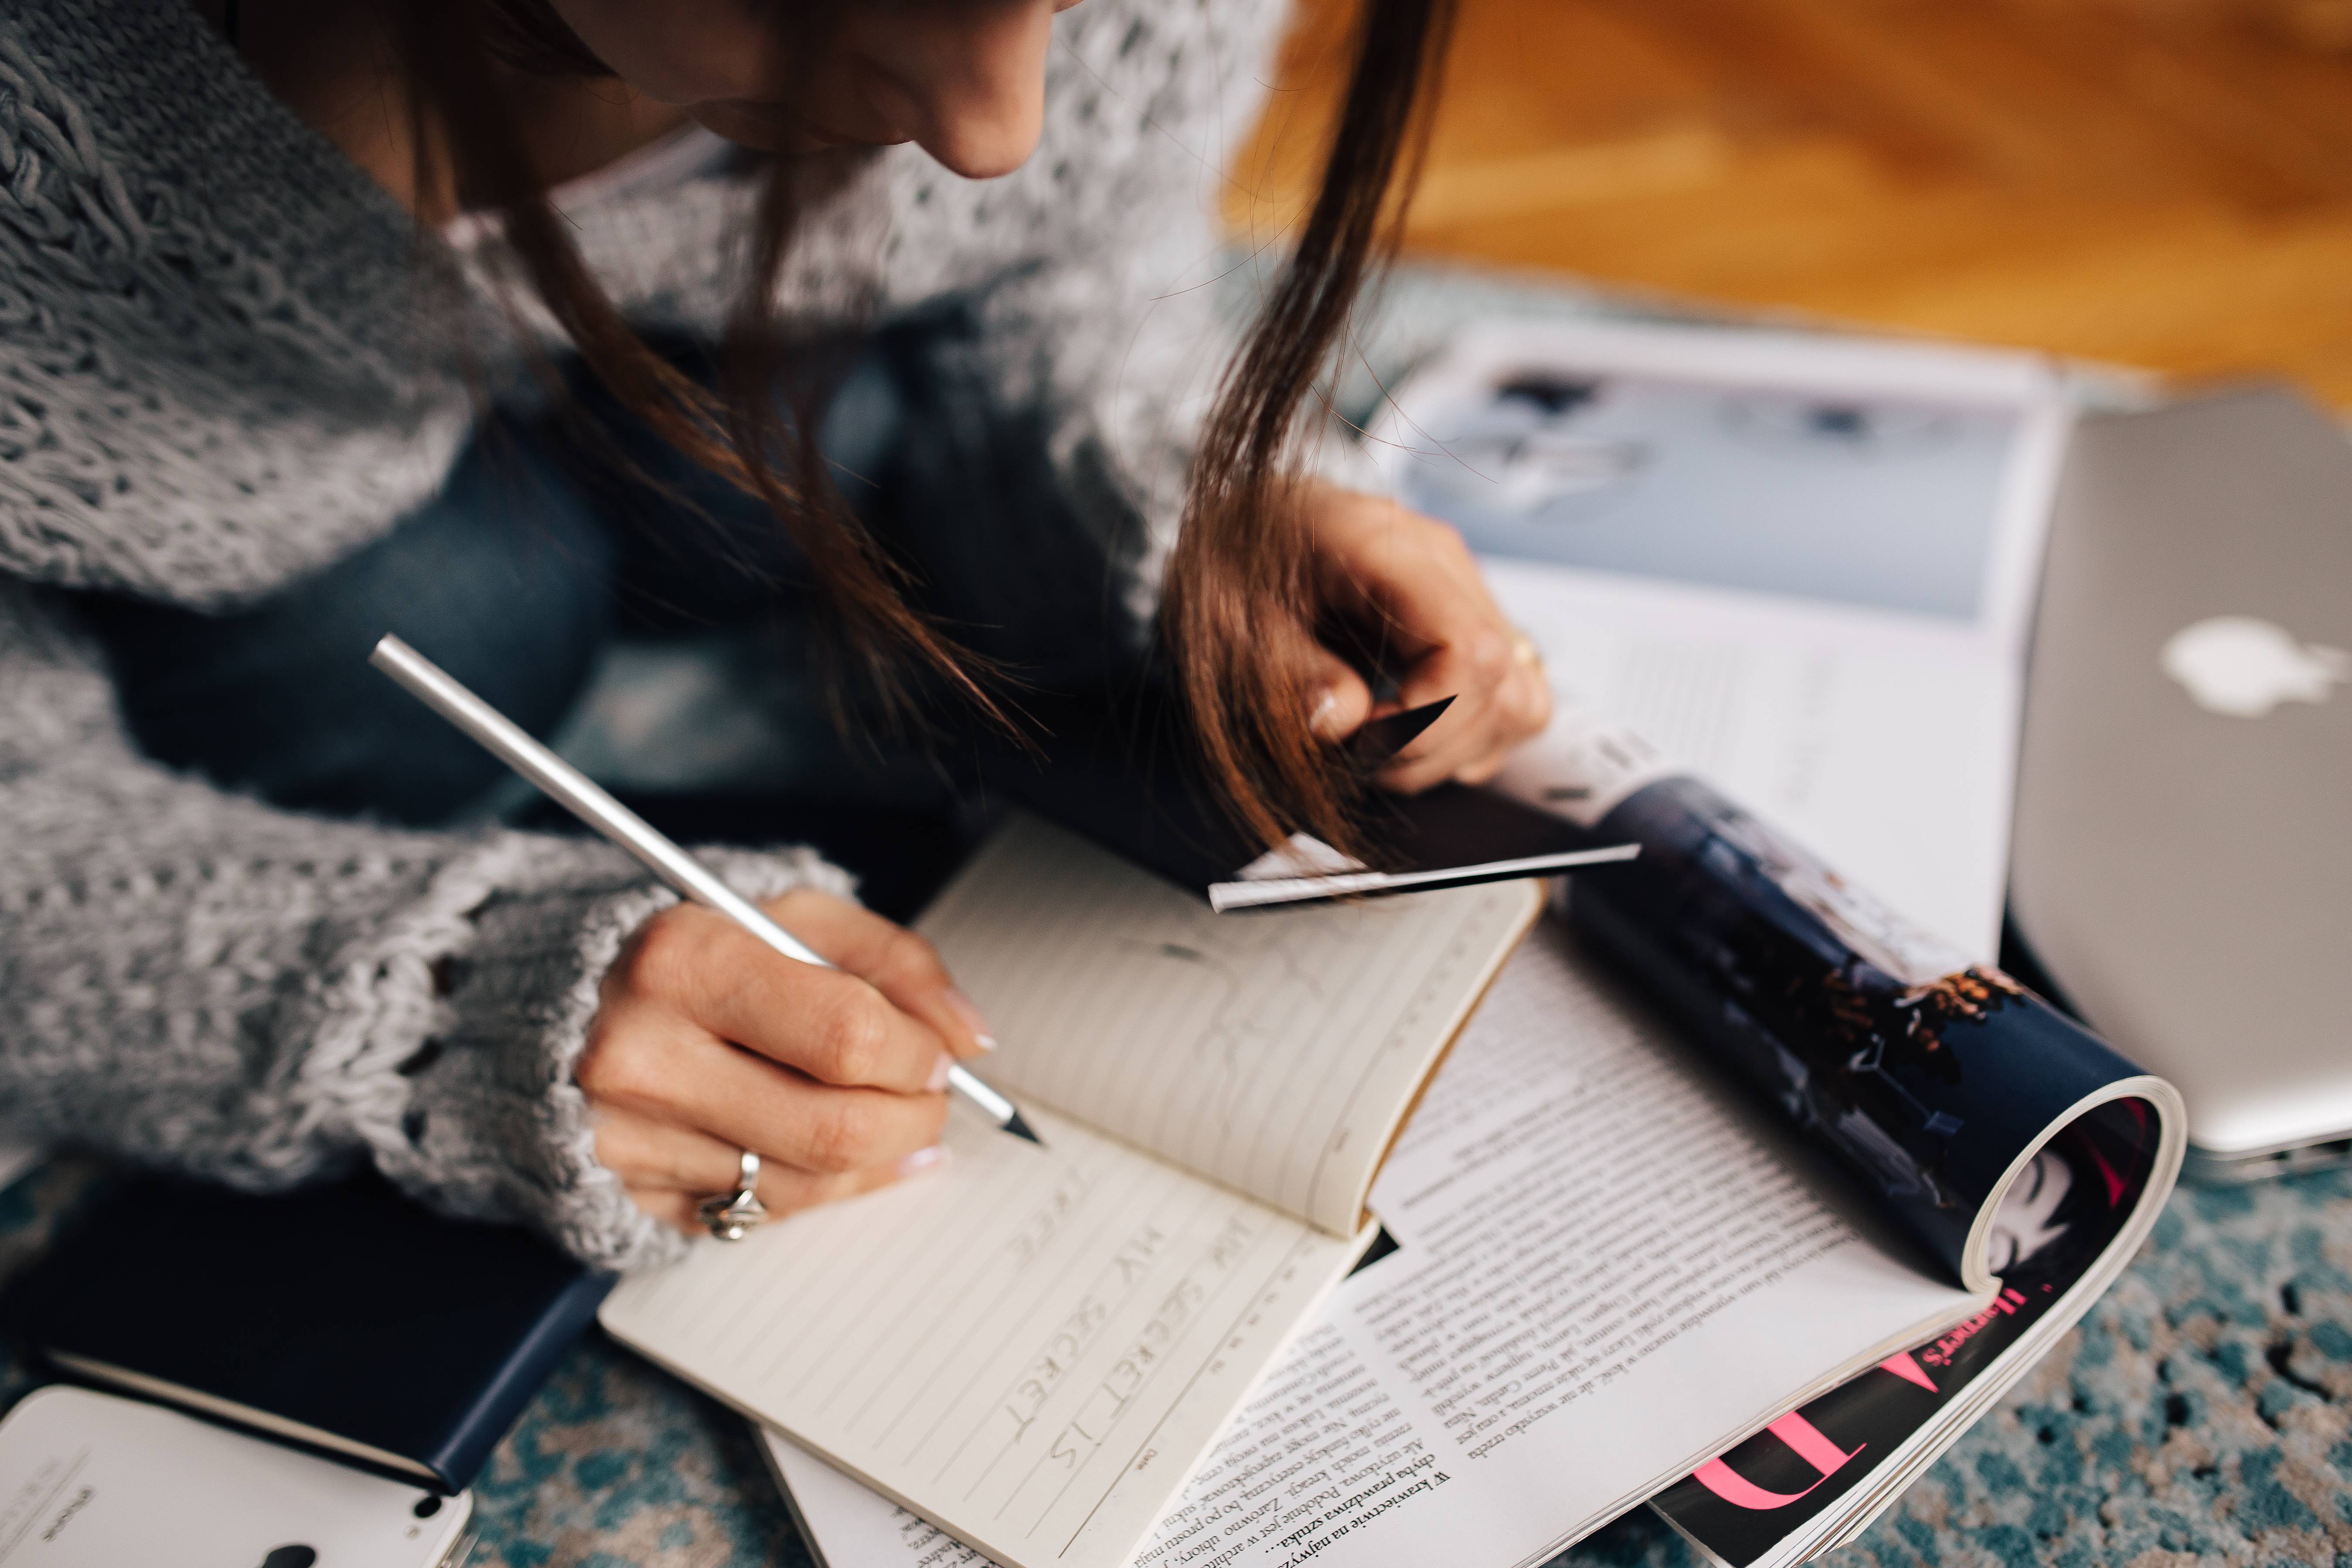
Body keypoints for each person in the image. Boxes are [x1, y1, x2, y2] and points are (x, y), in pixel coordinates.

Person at [0, 0, 1550, 1269]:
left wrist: (1189, 503)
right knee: (467, 619)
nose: (995, 130)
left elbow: (1070, 252)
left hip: (685, 391)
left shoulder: (1026, 86)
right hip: (219, 542)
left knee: (798, 447)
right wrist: (435, 1001)